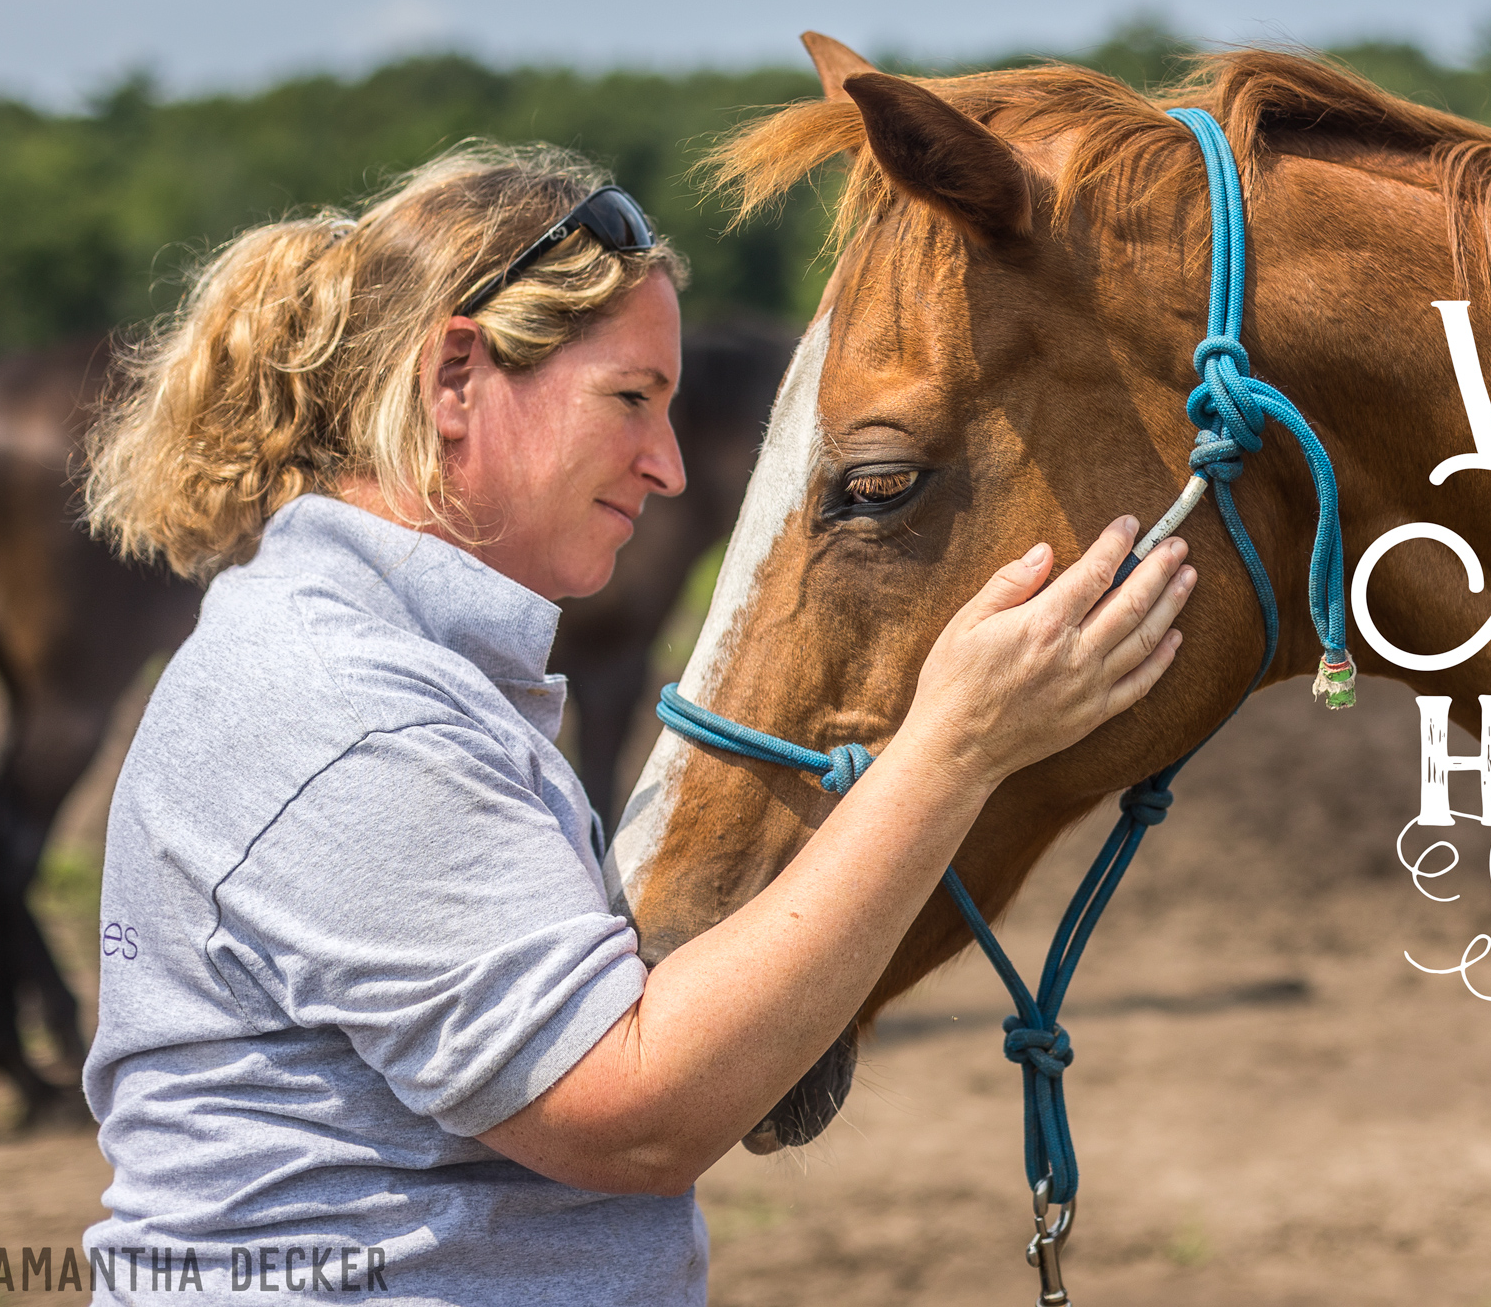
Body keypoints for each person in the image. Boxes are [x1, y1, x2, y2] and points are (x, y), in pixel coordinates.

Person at [78, 143, 1195, 1305]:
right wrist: (954, 747)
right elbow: (628, 1112)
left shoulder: (375, 666)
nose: (664, 466)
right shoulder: (347, 711)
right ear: (455, 376)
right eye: (629, 399)